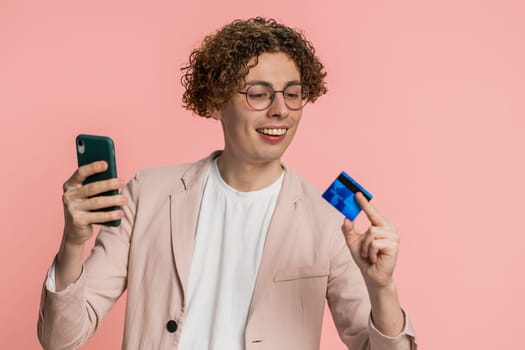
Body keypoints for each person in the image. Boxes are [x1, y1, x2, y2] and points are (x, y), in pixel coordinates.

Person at [38, 17, 417, 350]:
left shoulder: (330, 221)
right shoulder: (148, 193)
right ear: (216, 100)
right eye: (258, 93)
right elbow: (61, 339)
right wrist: (73, 242)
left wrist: (382, 289)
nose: (280, 109)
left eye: (292, 93)